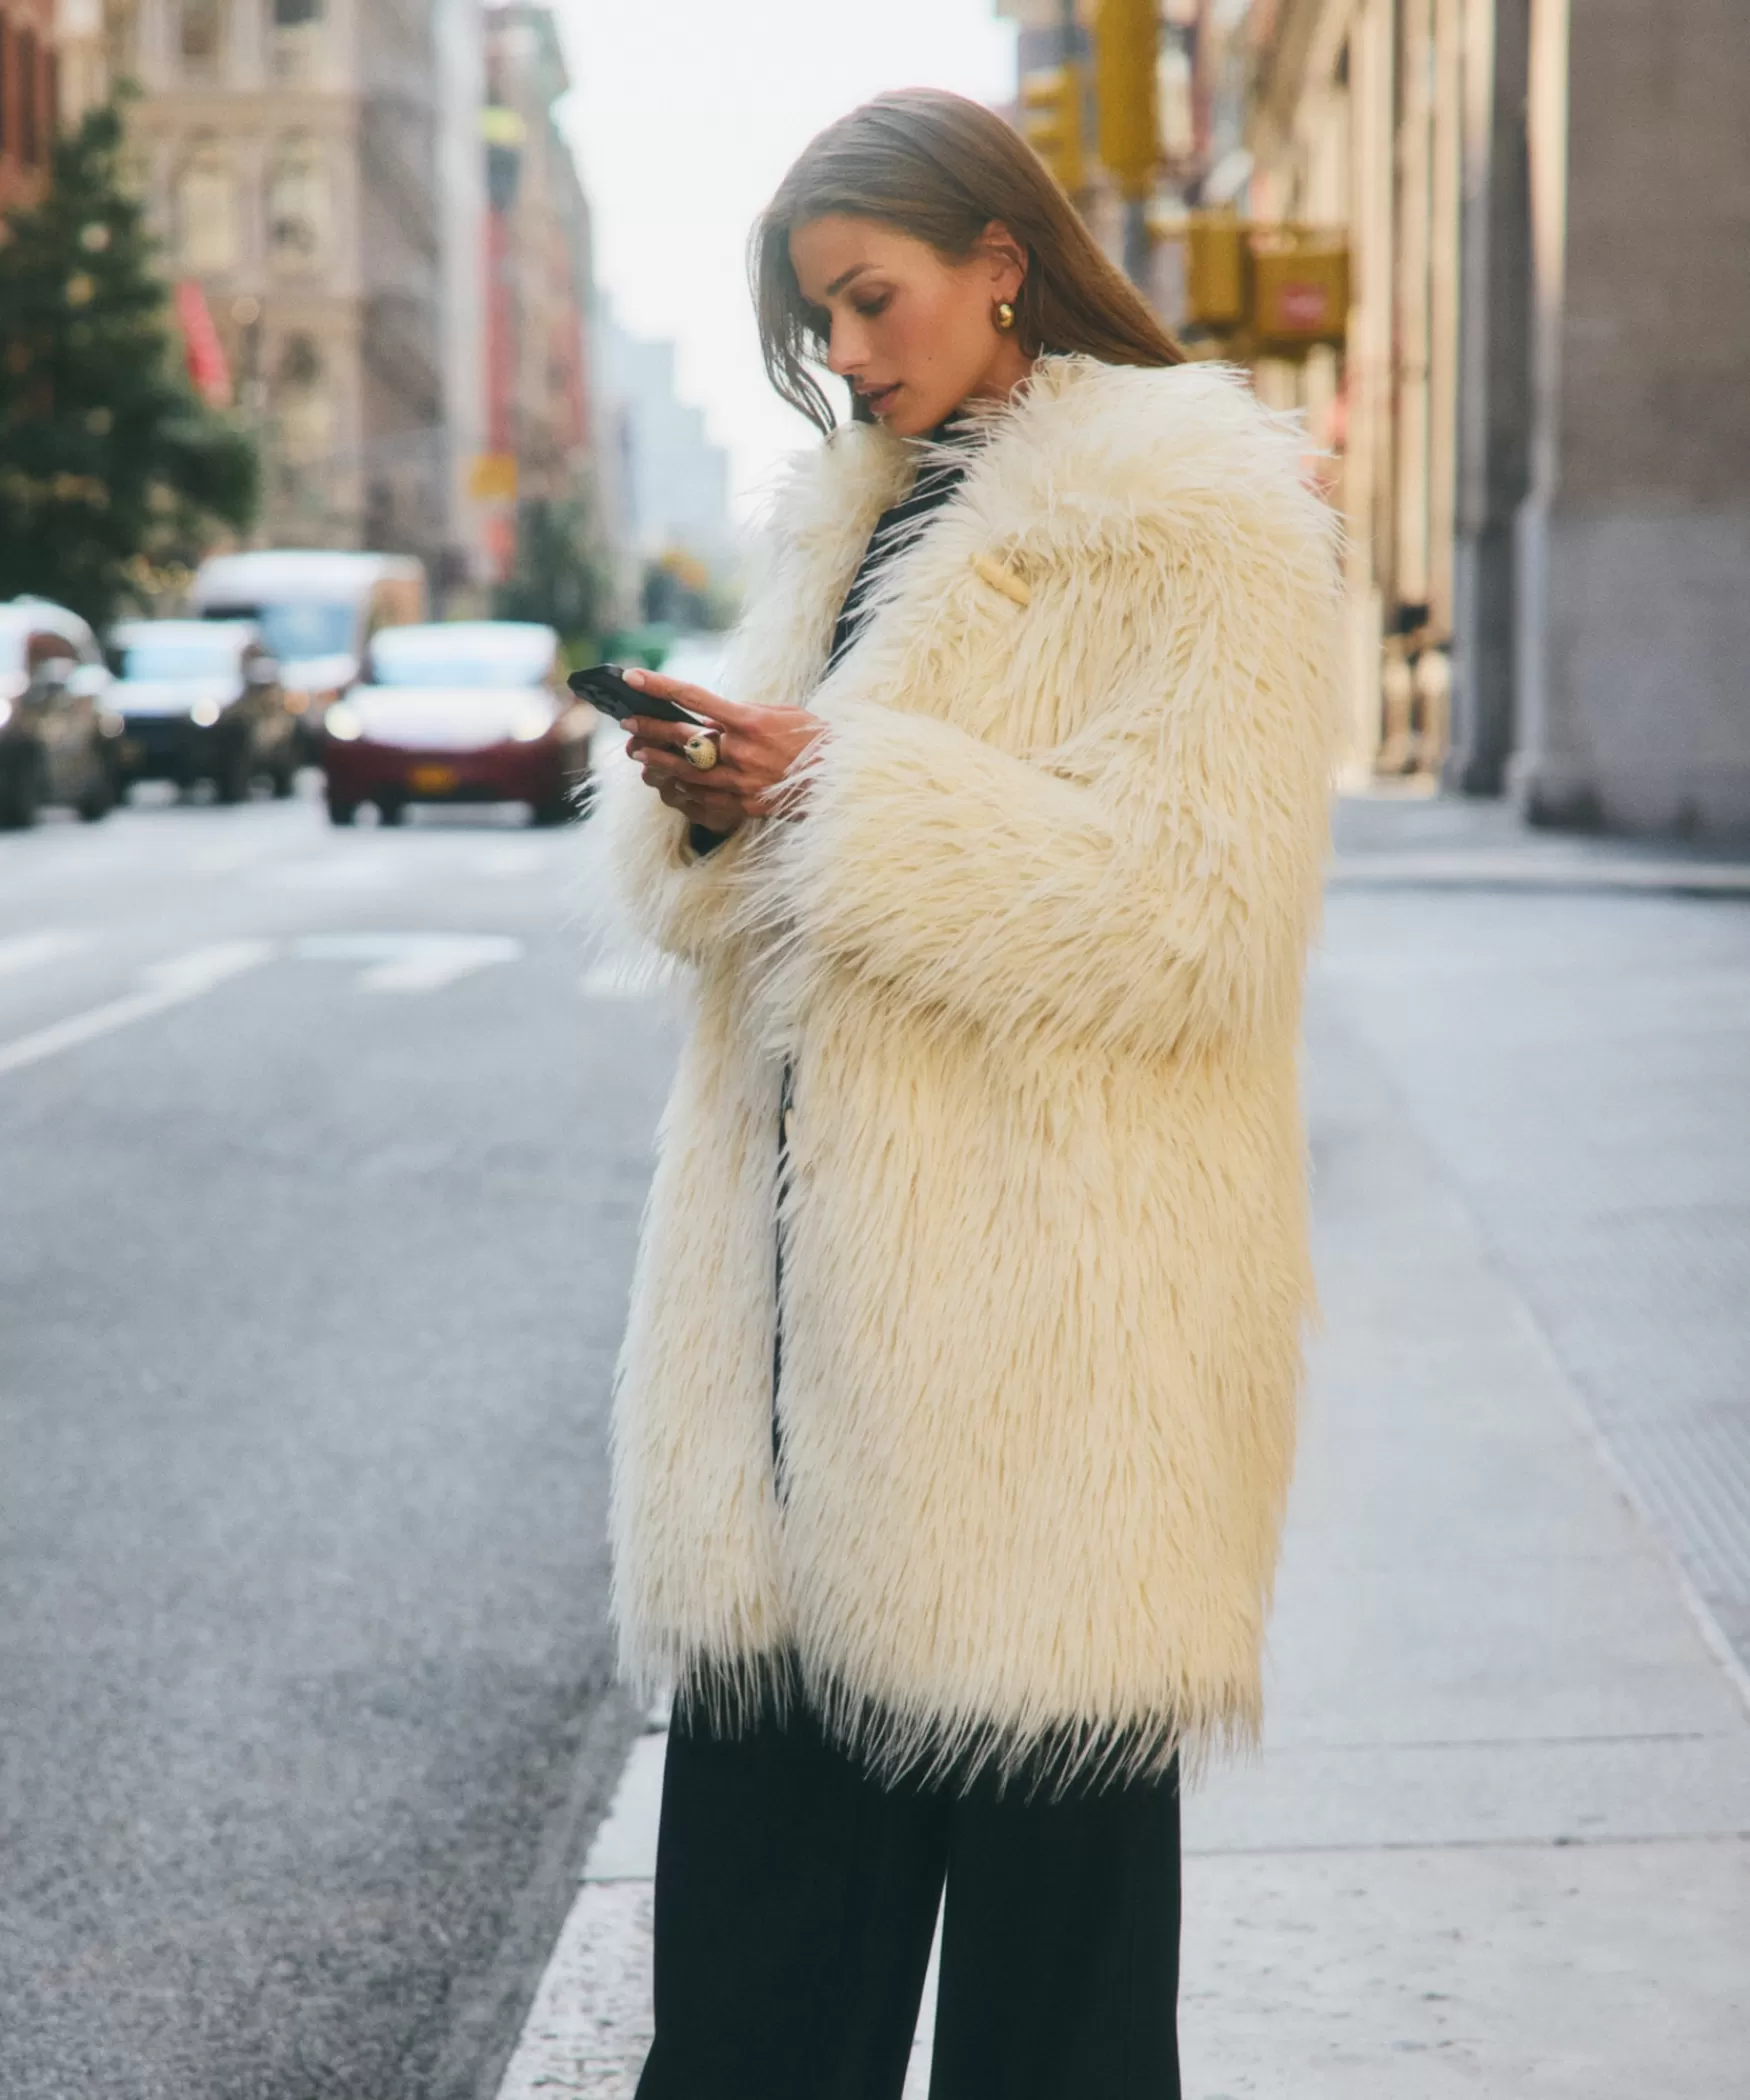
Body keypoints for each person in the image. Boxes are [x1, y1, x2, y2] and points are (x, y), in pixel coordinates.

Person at [599, 86, 1341, 2100]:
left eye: (870, 300)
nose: (845, 356)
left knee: (1054, 2037)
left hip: (1042, 1391)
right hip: (785, 1385)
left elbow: (1195, 918)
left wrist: (838, 792)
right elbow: (746, 895)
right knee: (744, 2024)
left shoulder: (1194, 512)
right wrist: (711, 804)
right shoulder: (853, 510)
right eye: (816, 323)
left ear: (999, 261)